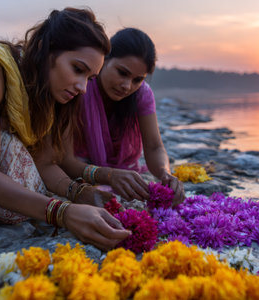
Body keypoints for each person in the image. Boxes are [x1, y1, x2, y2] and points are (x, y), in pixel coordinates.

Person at [0, 7, 131, 251]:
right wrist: (63, 213)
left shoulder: (47, 91)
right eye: (78, 69)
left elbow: (44, 161)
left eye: (89, 78)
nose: (83, 87)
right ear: (45, 50)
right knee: (10, 153)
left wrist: (78, 193)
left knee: (22, 168)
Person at [74, 28, 185, 204]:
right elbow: (62, 158)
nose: (127, 86)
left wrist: (165, 173)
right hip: (76, 167)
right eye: (122, 73)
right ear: (105, 60)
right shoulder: (79, 88)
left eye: (137, 80)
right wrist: (109, 176)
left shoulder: (141, 94)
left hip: (122, 170)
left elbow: (154, 146)